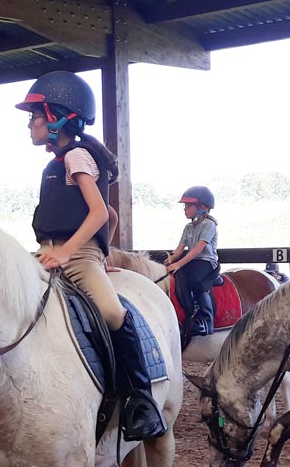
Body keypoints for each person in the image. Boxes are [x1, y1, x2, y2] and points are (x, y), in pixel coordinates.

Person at [19, 71, 167, 441]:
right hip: (45, 254)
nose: (29, 125)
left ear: (57, 118)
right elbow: (111, 218)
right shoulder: (53, 166)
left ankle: (140, 399)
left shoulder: (78, 156)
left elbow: (101, 213)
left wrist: (84, 254)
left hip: (75, 257)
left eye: (34, 117)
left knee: (113, 312)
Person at [164, 185, 219, 346]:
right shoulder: (188, 227)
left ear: (202, 207)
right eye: (185, 206)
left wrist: (179, 264)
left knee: (195, 280)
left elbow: (198, 249)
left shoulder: (209, 225)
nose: (185, 209)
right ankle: (187, 315)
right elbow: (179, 250)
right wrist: (167, 262)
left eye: (188, 205)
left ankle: (205, 320)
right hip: (192, 260)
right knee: (177, 277)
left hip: (206, 262)